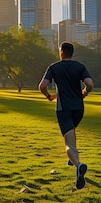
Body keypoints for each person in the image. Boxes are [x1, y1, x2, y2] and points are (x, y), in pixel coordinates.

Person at [39, 41, 94, 189]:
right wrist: (85, 92)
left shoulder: (54, 67)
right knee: (71, 132)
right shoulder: (80, 66)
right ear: (72, 53)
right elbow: (90, 84)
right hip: (79, 108)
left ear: (61, 52)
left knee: (68, 143)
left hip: (64, 108)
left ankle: (78, 165)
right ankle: (72, 161)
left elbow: (42, 86)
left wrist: (48, 96)